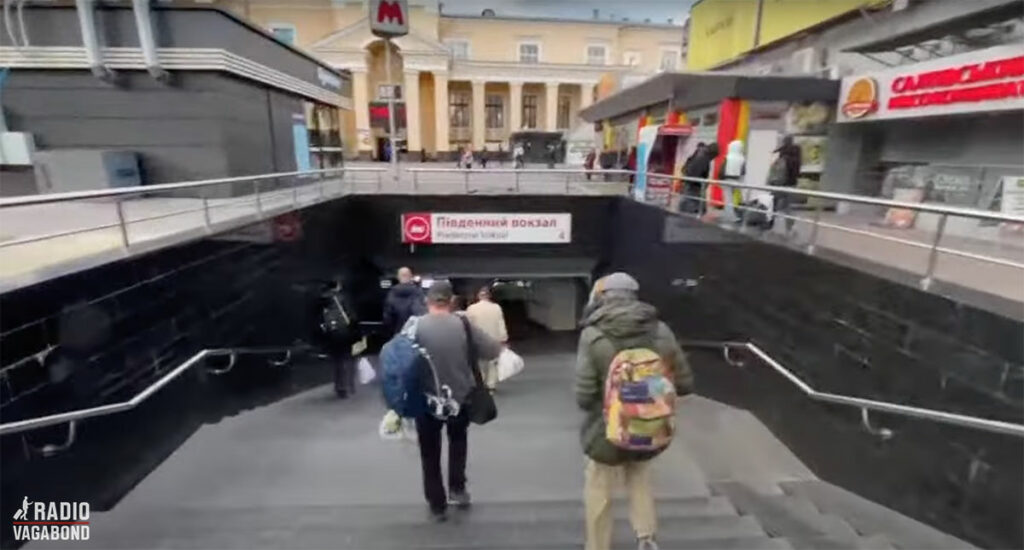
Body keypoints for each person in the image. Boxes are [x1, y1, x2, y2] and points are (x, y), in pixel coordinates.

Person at [575, 273, 694, 550]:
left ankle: (597, 545)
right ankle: (646, 537)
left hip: (606, 427)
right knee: (639, 476)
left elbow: (584, 395)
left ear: (602, 296)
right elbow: (685, 383)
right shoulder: (661, 330)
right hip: (649, 423)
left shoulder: (593, 334)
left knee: (599, 485)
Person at [415, 281, 502, 522]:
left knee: (429, 452)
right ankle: (457, 489)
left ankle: (436, 504)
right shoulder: (463, 324)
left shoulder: (415, 326)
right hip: (460, 396)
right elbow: (493, 350)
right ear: (451, 300)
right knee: (458, 442)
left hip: (426, 399)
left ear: (428, 300)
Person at [465, 285, 508, 392]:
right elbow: (500, 324)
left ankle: (481, 382)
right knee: (492, 363)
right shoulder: (496, 308)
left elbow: (468, 326)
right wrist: (503, 338)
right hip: (493, 338)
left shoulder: (471, 309)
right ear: (489, 296)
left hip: (478, 339)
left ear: (478, 296)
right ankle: (491, 385)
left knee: (479, 363)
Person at [769, 135, 803, 233]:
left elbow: (775, 171)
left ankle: (770, 224)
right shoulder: (797, 157)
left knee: (774, 204)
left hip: (780, 184)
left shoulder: (783, 156)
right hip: (792, 184)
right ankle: (790, 227)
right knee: (788, 207)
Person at [383, 267, 426, 337]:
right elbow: (422, 314)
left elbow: (388, 318)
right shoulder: (418, 293)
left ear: (398, 277)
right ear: (411, 277)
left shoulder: (392, 294)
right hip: (415, 335)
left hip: (398, 333)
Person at [680, 142, 719, 214]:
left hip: (692, 184)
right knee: (693, 205)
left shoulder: (701, 153)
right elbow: (695, 173)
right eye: (714, 156)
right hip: (694, 185)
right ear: (712, 153)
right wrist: (703, 183)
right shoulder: (703, 157)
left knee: (689, 202)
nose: (713, 159)